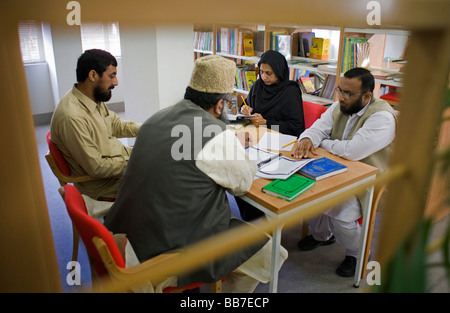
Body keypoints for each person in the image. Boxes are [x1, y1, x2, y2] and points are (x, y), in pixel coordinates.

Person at [104, 55, 287, 292]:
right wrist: (231, 146)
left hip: (126, 236)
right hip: (164, 252)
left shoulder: (156, 119)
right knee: (273, 253)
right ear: (220, 105)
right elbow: (242, 184)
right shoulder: (215, 134)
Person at [294, 67, 397, 277]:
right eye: (339, 90)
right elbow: (317, 127)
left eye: (348, 93)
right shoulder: (340, 105)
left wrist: (322, 143)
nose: (340, 97)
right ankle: (322, 236)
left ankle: (357, 252)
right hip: (337, 168)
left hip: (369, 177)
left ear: (367, 96)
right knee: (305, 194)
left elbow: (352, 151)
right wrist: (307, 139)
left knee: (342, 215)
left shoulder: (382, 117)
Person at [50, 49, 141, 201]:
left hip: (119, 164)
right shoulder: (72, 117)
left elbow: (117, 125)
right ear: (93, 75)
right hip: (105, 185)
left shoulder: (92, 98)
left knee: (166, 166)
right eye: (112, 76)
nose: (116, 82)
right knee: (166, 178)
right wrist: (138, 159)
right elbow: (97, 167)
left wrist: (150, 128)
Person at [240, 50, 305, 137]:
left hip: (280, 139)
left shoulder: (291, 92)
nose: (264, 77)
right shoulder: (259, 85)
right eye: (261, 71)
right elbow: (247, 105)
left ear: (279, 72)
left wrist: (266, 123)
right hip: (256, 135)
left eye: (269, 73)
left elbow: (295, 127)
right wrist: (245, 109)